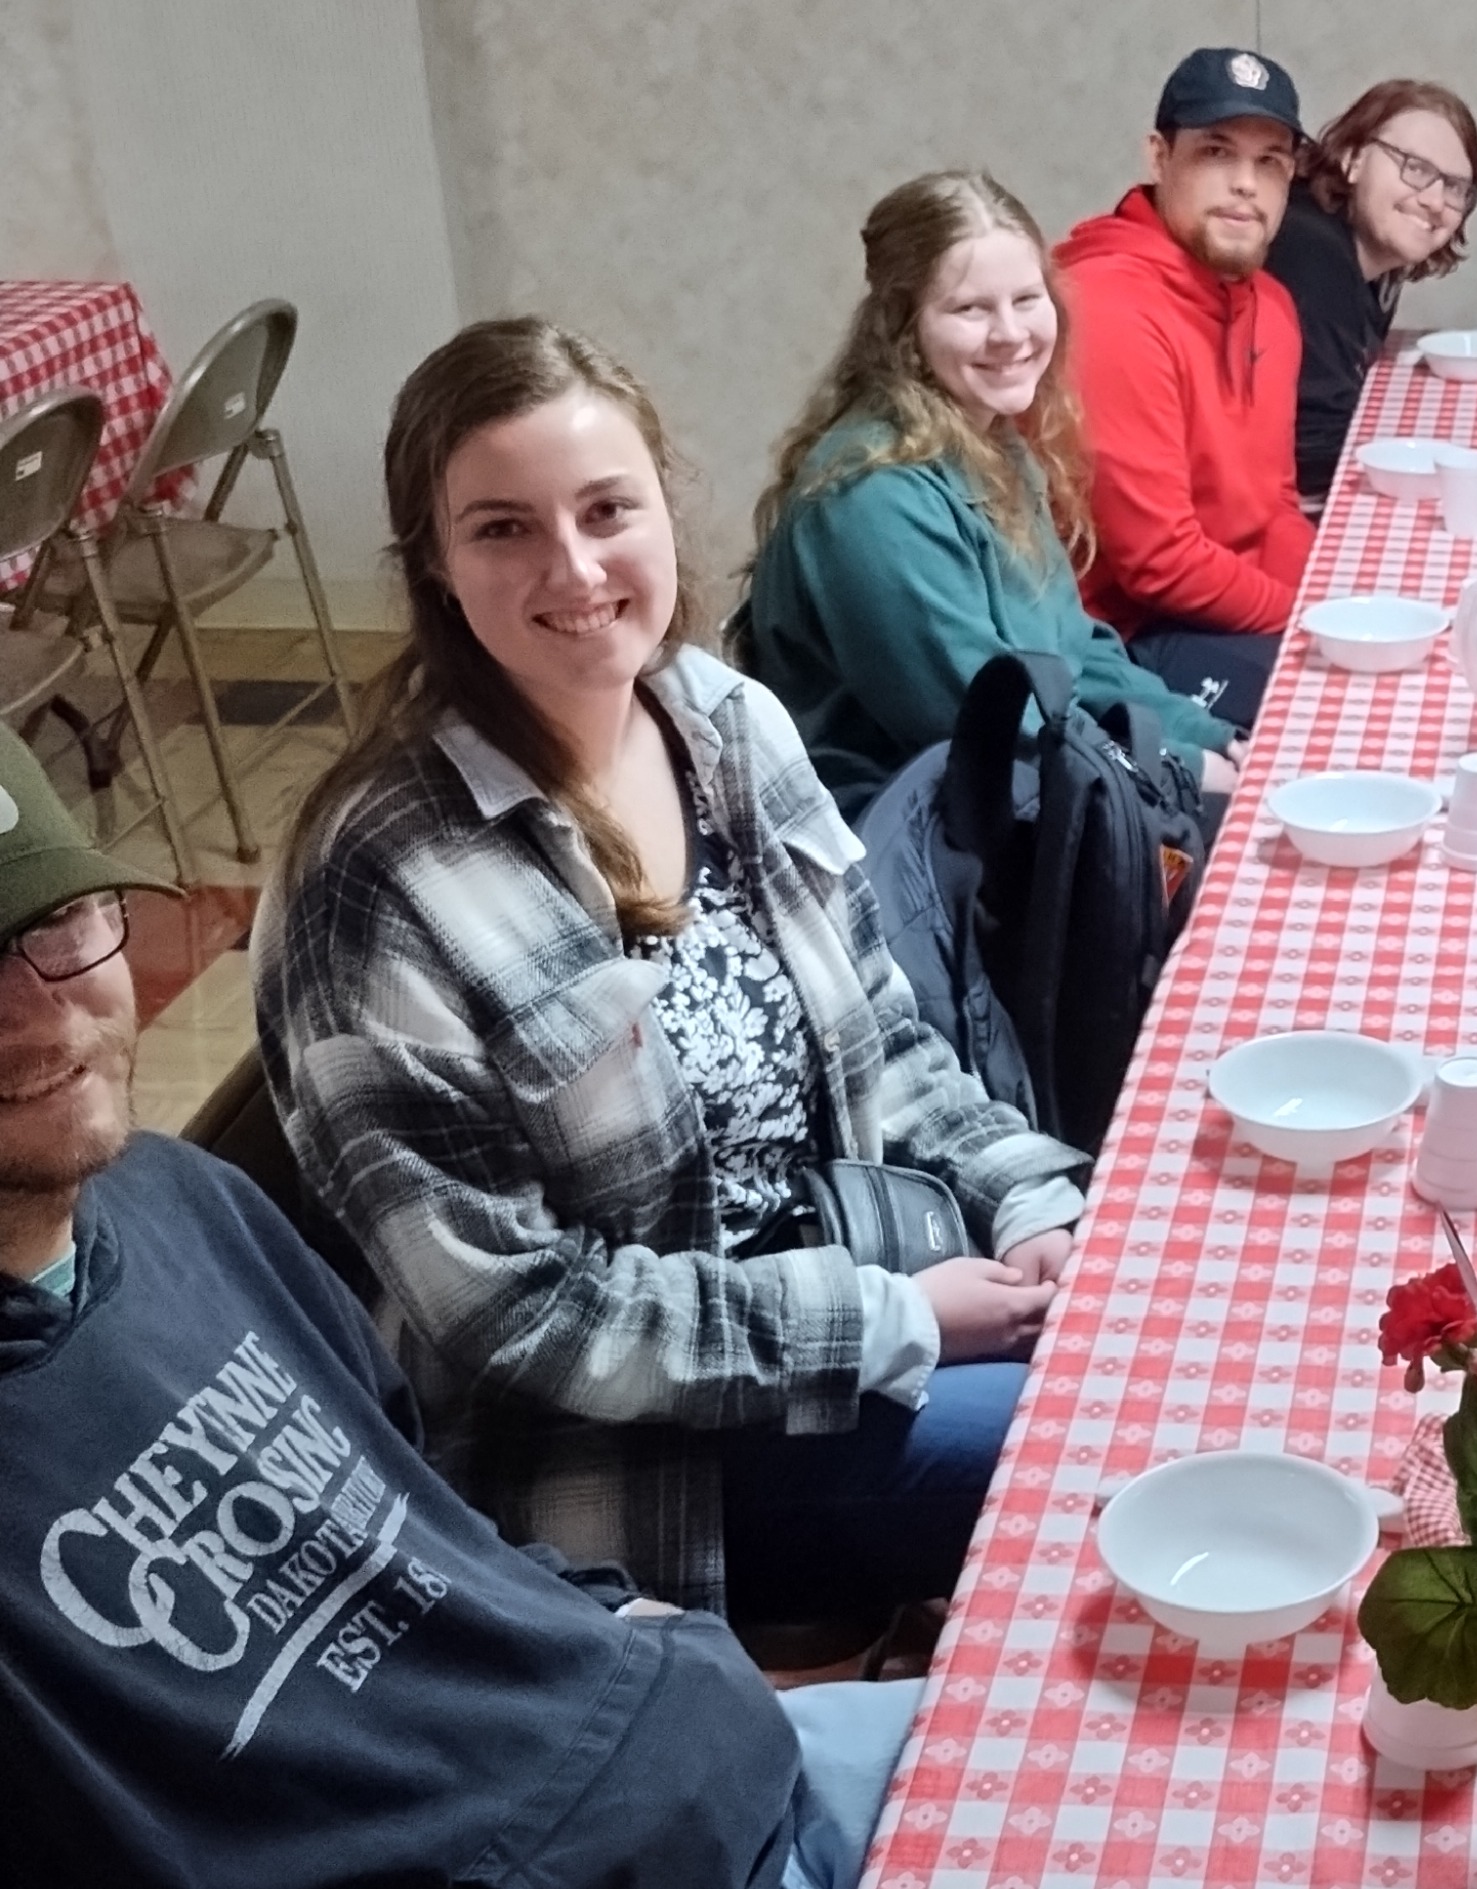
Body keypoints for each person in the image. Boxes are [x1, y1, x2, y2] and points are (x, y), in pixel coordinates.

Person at [253, 319, 1090, 1620]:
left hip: (858, 1283)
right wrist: (882, 1321)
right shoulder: (381, 880)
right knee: (1092, 1465)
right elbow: (518, 1313)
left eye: (605, 510)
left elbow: (886, 1033)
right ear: (432, 562)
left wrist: (1033, 1205)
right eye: (503, 528)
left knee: (1137, 1348)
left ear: (665, 508)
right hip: (628, 1467)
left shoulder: (726, 722)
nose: (574, 568)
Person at [0, 726, 918, 1888]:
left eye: (58, 925)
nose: (40, 1012)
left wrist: (610, 1617)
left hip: (695, 1738)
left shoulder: (179, 1195)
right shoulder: (379, 874)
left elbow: (417, 1498)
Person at [740, 170, 1240, 820]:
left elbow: (1076, 651)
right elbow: (994, 728)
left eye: (1027, 299)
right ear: (902, 327)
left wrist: (1210, 735)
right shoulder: (872, 500)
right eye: (971, 309)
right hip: (918, 842)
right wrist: (1178, 765)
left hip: (1038, 780)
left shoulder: (993, 442)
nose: (1010, 333)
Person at [1058, 46, 1315, 735]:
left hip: (1205, 611)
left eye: (1270, 163)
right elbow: (1157, 565)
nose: (1245, 185)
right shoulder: (1109, 304)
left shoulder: (1274, 308)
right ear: (1158, 156)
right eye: (1215, 153)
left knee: (1377, 673)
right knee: (1321, 714)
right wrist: (1312, 614)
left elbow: (1275, 511)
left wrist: (1331, 600)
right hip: (1108, 642)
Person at [1264, 79, 1477, 506]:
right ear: (1352, 159)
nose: (1435, 201)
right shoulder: (1312, 253)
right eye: (1415, 168)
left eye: (1456, 187)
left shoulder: (1376, 262)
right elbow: (1314, 451)